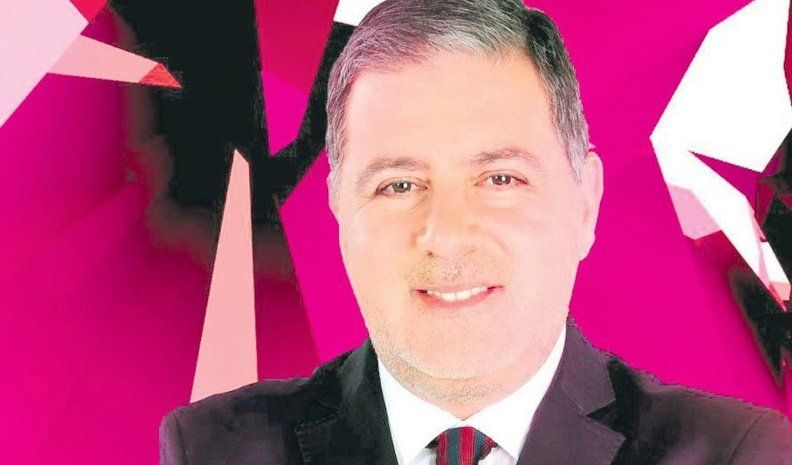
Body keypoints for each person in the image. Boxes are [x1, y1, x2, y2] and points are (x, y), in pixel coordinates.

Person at [159, 1, 792, 463]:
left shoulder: (739, 453)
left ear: (585, 202)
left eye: (499, 179)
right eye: (399, 185)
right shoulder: (212, 450)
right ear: (338, 208)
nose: (447, 236)